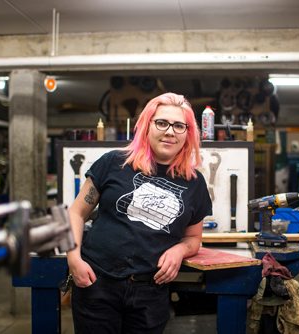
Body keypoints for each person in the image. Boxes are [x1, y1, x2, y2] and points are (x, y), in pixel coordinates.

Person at [66, 92, 213, 334]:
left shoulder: (194, 183)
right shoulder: (114, 162)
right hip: (97, 284)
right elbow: (76, 213)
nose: (170, 131)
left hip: (150, 292)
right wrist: (74, 260)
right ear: (147, 126)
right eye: (162, 123)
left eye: (179, 125)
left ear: (188, 134)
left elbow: (193, 238)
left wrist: (179, 250)